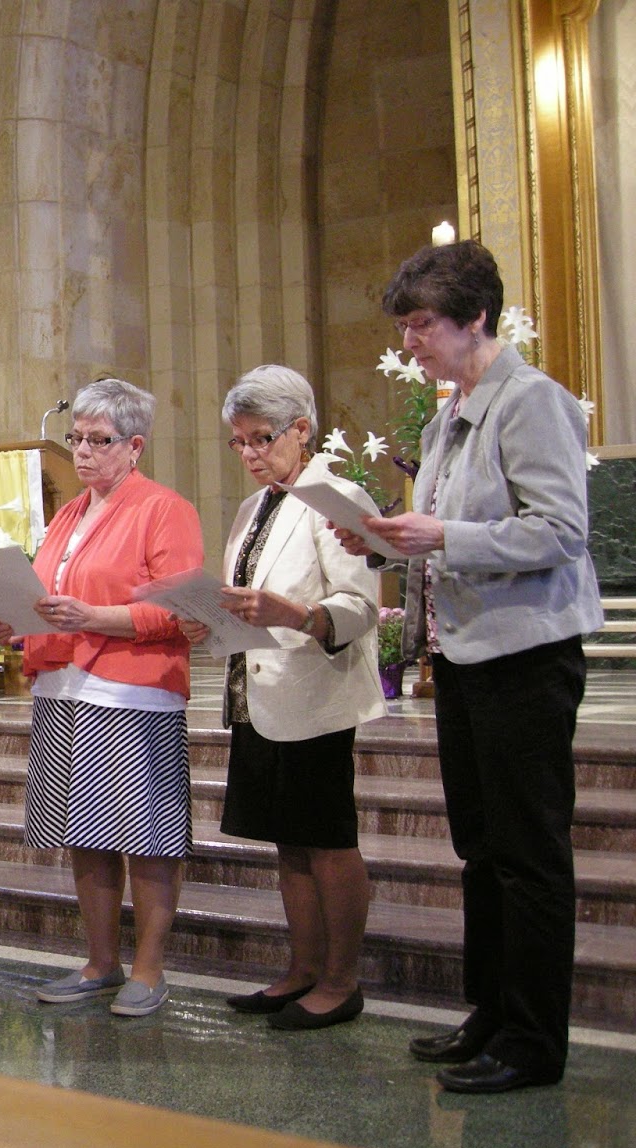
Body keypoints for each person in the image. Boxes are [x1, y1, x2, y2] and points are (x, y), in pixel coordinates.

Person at [335, 239, 601, 1092]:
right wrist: (379, 540)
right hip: (463, 655)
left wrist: (441, 535)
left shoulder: (533, 402)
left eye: (421, 325)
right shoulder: (451, 413)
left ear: (475, 317)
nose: (409, 341)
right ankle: (489, 1013)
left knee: (528, 853)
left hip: (527, 655)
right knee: (480, 848)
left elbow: (561, 533)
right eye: (406, 325)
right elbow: (441, 534)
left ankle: (532, 1041)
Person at [0, 377, 203, 1018]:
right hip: (62, 687)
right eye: (76, 438)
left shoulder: (164, 509)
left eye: (99, 441)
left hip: (131, 693)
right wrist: (16, 618)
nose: (83, 451)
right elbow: (51, 599)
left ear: (134, 446)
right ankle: (101, 961)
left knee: (147, 840)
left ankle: (148, 969)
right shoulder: (69, 513)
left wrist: (92, 616)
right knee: (86, 835)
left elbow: (178, 609)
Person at [183, 365, 384, 1031]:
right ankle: (302, 969)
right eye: (238, 443)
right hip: (257, 698)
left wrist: (297, 614)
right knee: (288, 844)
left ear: (302, 430)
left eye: (261, 439)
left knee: (327, 841)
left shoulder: (337, 496)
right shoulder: (253, 507)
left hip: (315, 697)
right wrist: (208, 620)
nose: (248, 454)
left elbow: (359, 608)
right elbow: (248, 601)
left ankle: (341, 979)